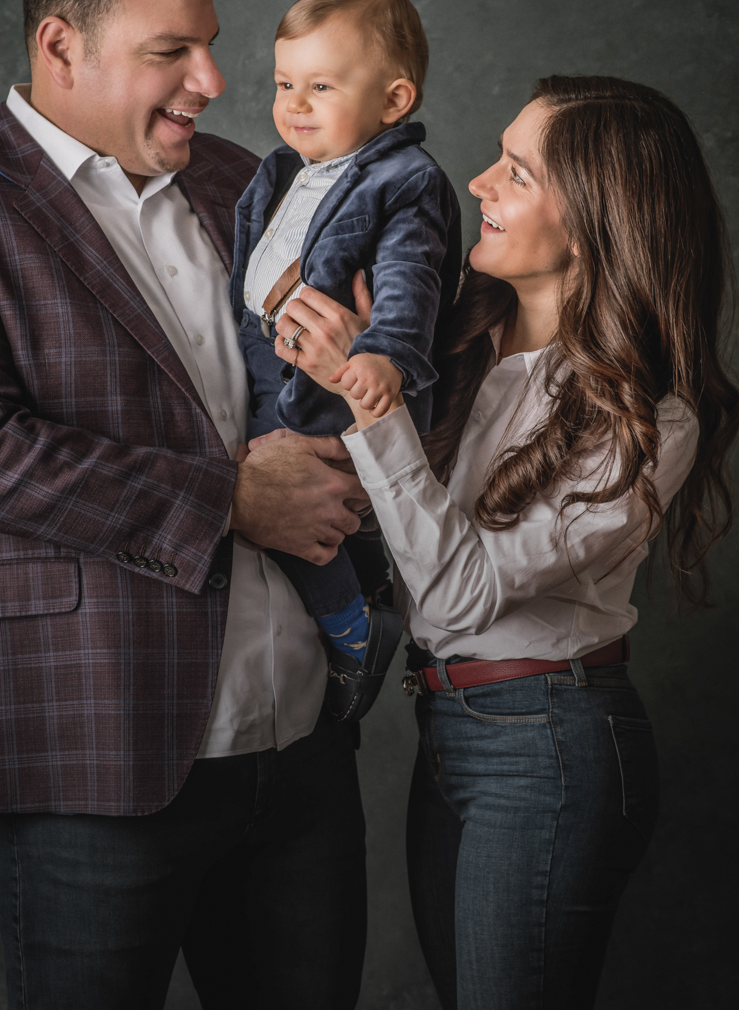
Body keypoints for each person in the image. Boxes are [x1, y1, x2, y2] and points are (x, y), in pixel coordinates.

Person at [0, 0, 371, 1010]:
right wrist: (228, 498)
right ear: (59, 45)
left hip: (302, 755)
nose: (213, 82)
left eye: (212, 43)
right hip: (96, 761)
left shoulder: (248, 185)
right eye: (170, 51)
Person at [268, 75, 739, 1009]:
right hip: (444, 724)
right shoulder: (457, 343)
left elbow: (455, 596)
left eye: (514, 172)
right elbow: (401, 527)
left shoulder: (648, 421)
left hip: (548, 747)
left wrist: (370, 403)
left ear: (595, 226)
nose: (477, 183)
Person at [231, 0, 461, 720]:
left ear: (393, 101)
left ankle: (353, 631)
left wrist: (384, 353)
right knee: (278, 507)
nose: (292, 105)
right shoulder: (284, 173)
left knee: (307, 516)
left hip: (332, 376)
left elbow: (409, 273)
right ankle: (355, 605)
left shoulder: (404, 179)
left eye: (320, 86)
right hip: (262, 360)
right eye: (283, 82)